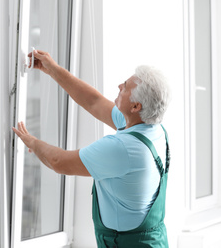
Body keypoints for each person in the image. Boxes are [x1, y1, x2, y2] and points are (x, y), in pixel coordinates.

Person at [12, 49, 171, 247]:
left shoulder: (124, 149)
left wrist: (32, 142)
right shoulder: (152, 128)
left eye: (126, 86)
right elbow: (93, 102)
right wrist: (52, 69)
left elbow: (59, 162)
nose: (119, 86)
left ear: (136, 106)